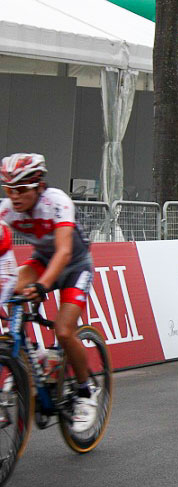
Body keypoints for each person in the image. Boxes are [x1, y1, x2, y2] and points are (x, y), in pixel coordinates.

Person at [0, 153, 98, 432]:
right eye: (9, 190)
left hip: (75, 266)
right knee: (10, 288)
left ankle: (85, 390)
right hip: (42, 261)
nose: (14, 197)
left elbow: (65, 251)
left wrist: (43, 285)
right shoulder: (7, 209)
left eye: (21, 190)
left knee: (64, 330)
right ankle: (35, 355)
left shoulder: (56, 202)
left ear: (38, 186)